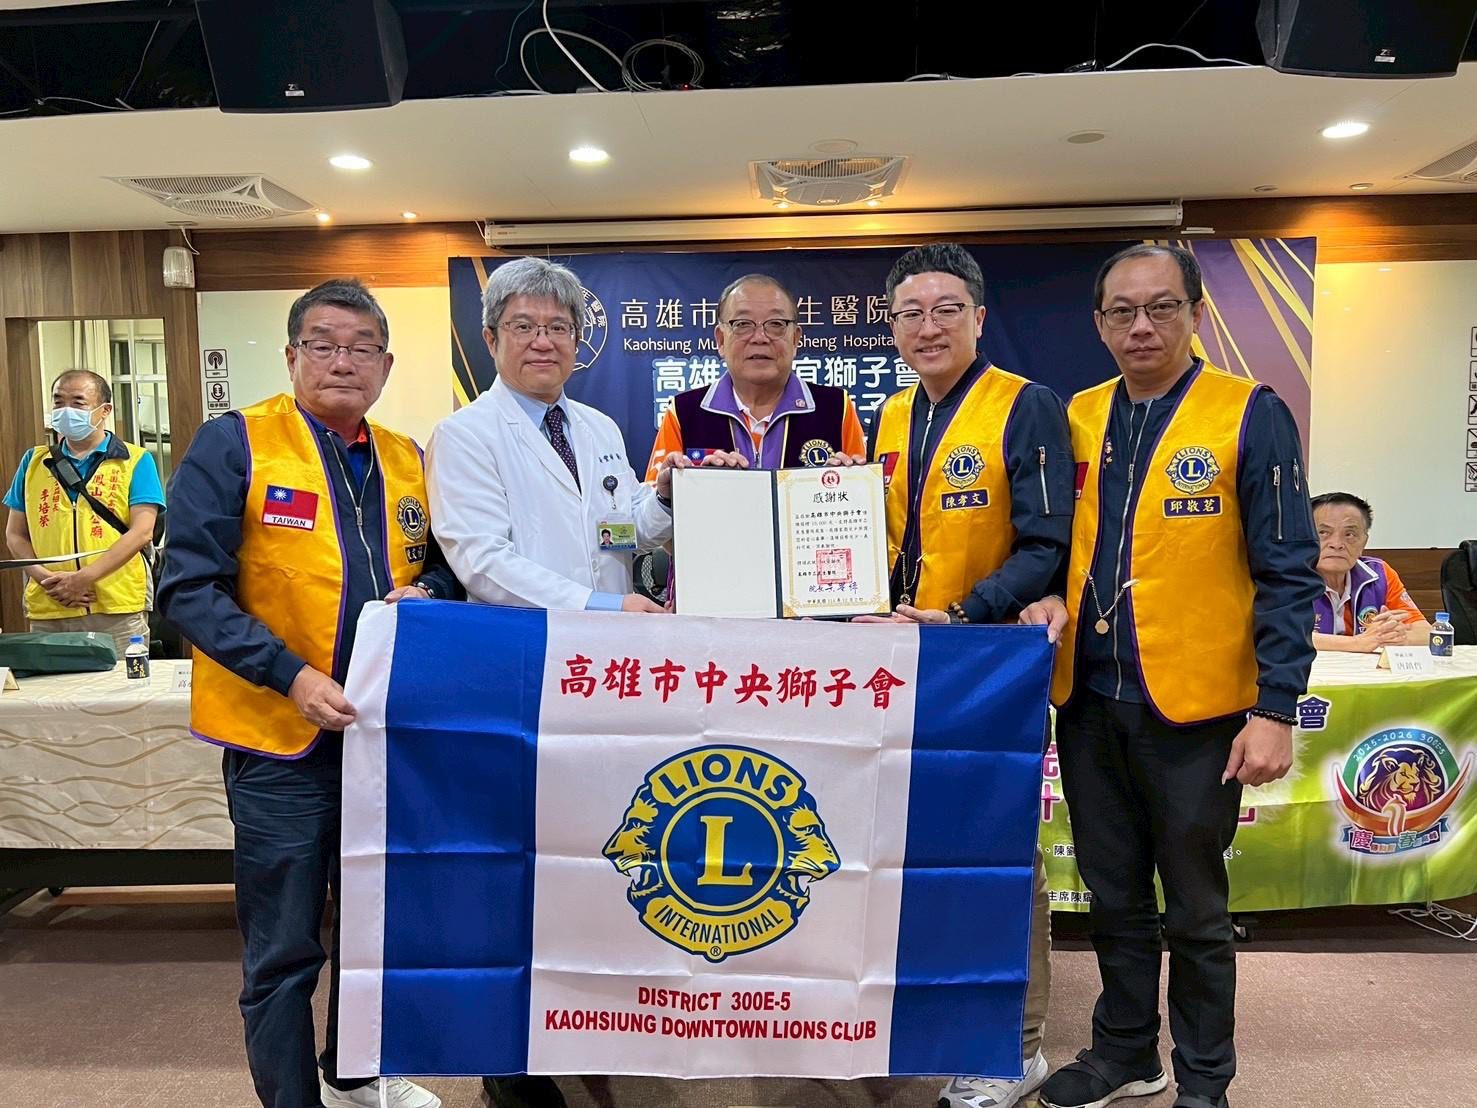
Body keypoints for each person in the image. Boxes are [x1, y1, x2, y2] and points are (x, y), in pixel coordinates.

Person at [1023, 244, 1321, 1108]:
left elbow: (1287, 569)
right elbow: (1053, 543)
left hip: (1197, 709)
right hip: (1090, 700)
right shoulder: (1076, 416)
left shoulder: (1247, 412)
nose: (1141, 326)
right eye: (1121, 311)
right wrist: (1044, 596)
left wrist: (1275, 706)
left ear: (1194, 313)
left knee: (1193, 907)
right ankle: (1123, 1052)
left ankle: (1203, 1079)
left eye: (1160, 307)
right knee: (1112, 895)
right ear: (1098, 324)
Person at [159, 279, 458, 1108]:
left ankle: (353, 1076)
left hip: (384, 741)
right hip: (279, 743)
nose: (342, 361)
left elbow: (447, 564)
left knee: (374, 933)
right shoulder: (237, 443)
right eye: (323, 344)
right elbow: (186, 588)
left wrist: (431, 591)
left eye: (362, 348)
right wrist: (290, 674)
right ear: (292, 355)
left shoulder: (406, 457)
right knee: (285, 948)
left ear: (386, 366)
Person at [850, 243, 1073, 1108]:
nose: (927, 326)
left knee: (1001, 858)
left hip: (985, 665)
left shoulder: (1024, 404)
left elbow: (1046, 544)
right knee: (915, 853)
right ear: (892, 327)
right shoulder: (892, 413)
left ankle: (1015, 1049)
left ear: (978, 317)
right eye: (909, 312)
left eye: (946, 308)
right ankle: (936, 1026)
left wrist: (963, 614)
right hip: (903, 663)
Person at [429, 256, 691, 625]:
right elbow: (483, 562)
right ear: (491, 339)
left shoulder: (600, 427)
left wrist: (664, 498)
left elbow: (625, 532)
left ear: (576, 340)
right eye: (523, 327)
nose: (543, 342)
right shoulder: (463, 435)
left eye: (558, 327)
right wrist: (598, 604)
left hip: (612, 641)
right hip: (528, 641)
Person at [4, 369, 164, 655]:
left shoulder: (135, 460)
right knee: (52, 683)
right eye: (58, 402)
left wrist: (82, 579)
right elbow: (15, 534)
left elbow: (142, 532)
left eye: (78, 402)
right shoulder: (33, 461)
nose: (66, 410)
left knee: (120, 682)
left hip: (115, 603)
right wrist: (47, 580)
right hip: (49, 604)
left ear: (105, 410)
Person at [643, 273, 866, 477]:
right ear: (720, 340)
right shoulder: (684, 412)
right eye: (742, 324)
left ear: (796, 339)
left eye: (776, 324)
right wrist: (667, 495)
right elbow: (653, 505)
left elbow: (864, 496)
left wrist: (855, 483)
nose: (760, 337)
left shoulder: (836, 407)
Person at [1310, 491, 1430, 651]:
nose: (1337, 544)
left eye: (1349, 534)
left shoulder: (1379, 573)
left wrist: (1394, 637)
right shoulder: (1286, 577)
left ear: (1364, 542)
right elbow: (1281, 636)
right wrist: (1359, 643)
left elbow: (1425, 631)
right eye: (1323, 533)